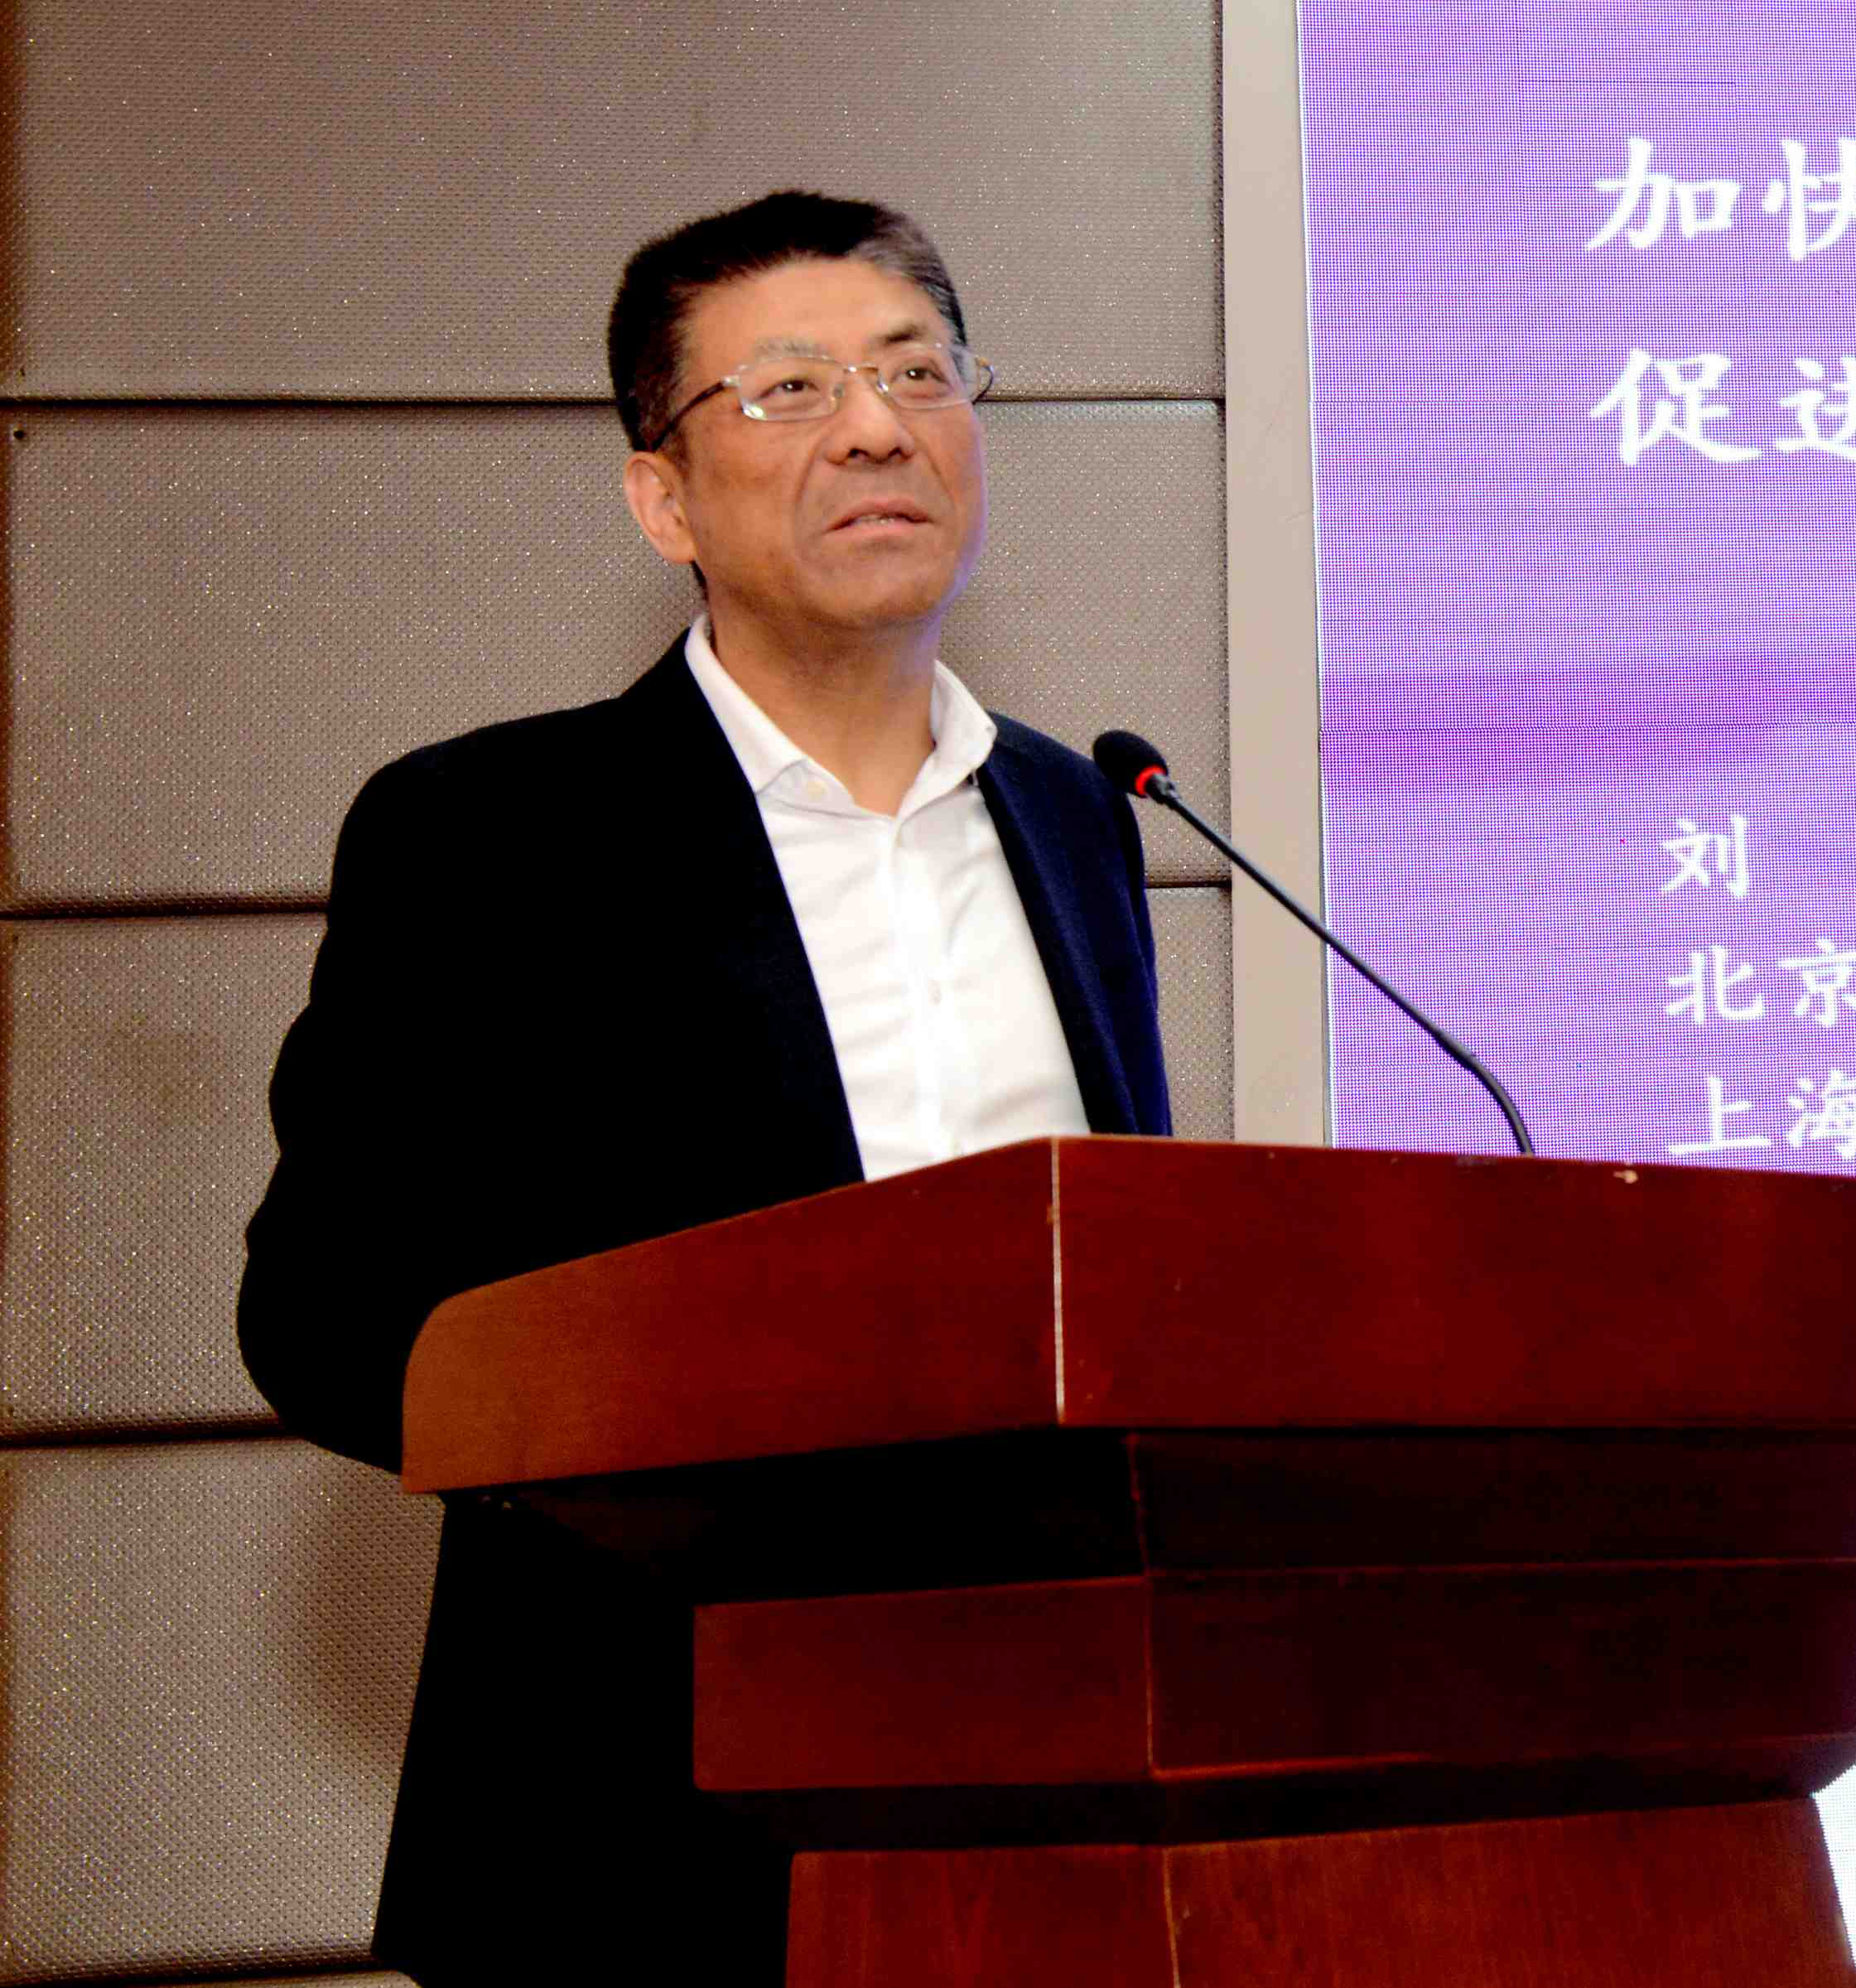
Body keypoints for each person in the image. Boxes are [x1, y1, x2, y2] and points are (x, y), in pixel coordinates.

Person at [237, 191, 1174, 1985]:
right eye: (790, 388)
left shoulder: (1081, 814)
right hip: (636, 1801)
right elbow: (328, 1313)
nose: (877, 426)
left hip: (1056, 1793)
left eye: (918, 371)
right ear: (662, 497)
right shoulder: (489, 832)